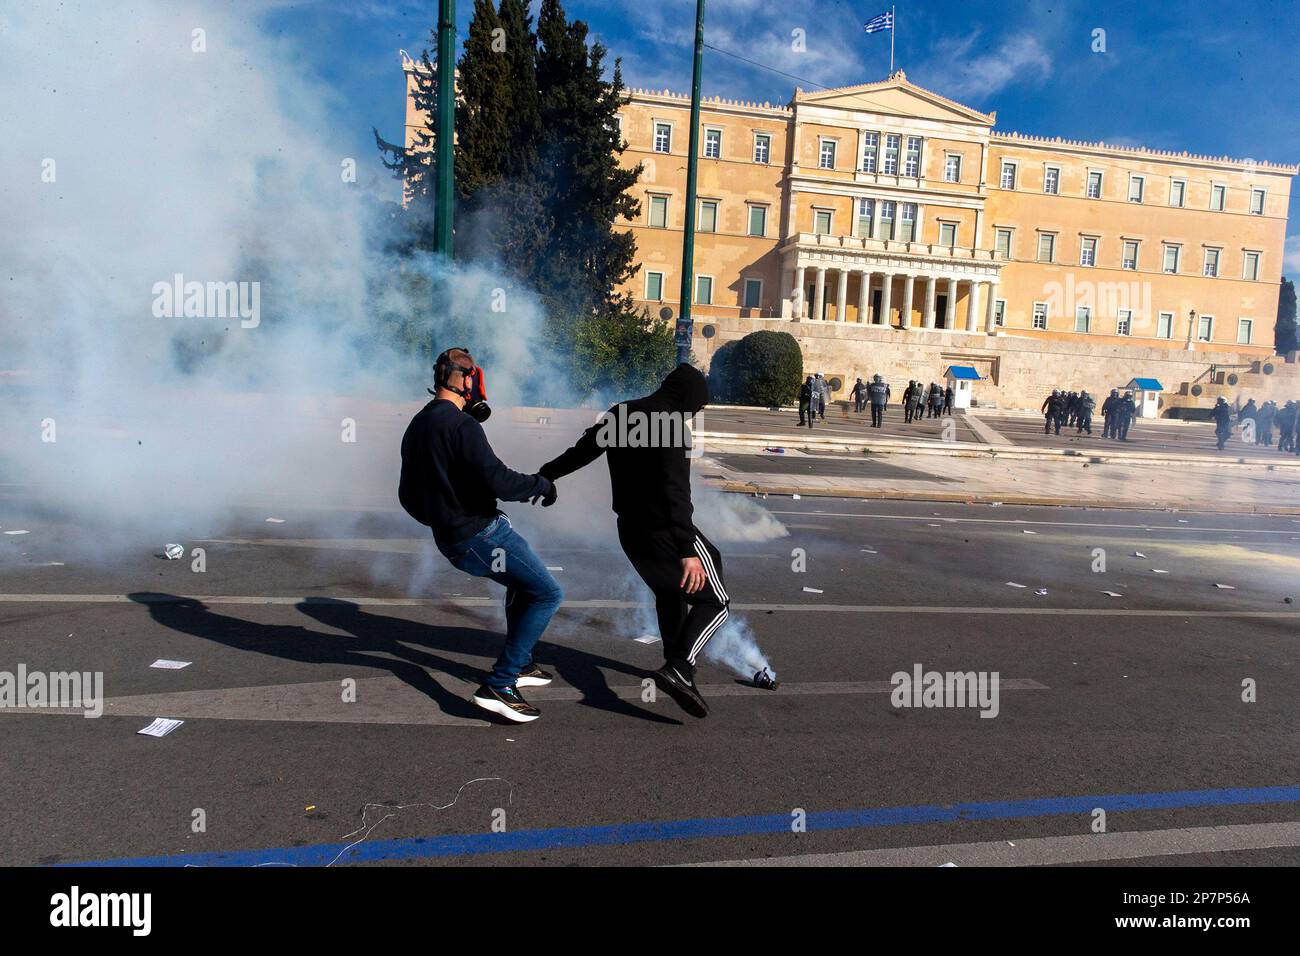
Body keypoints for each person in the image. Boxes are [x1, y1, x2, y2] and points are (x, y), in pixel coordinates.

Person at [539, 364, 728, 719]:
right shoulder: (672, 426)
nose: (695, 414)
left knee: (670, 596)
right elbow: (676, 494)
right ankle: (680, 668)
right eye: (697, 407)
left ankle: (676, 668)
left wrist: (545, 475)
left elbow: (582, 451)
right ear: (687, 398)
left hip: (631, 531)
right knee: (716, 601)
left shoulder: (621, 413)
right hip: (667, 533)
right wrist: (688, 551)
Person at [399, 348, 561, 723]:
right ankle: (500, 684)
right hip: (480, 534)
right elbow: (498, 480)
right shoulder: (462, 426)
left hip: (451, 537)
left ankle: (521, 664)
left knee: (521, 583)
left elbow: (407, 494)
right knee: (548, 592)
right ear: (467, 380)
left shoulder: (419, 423)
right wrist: (541, 485)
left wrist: (441, 518)